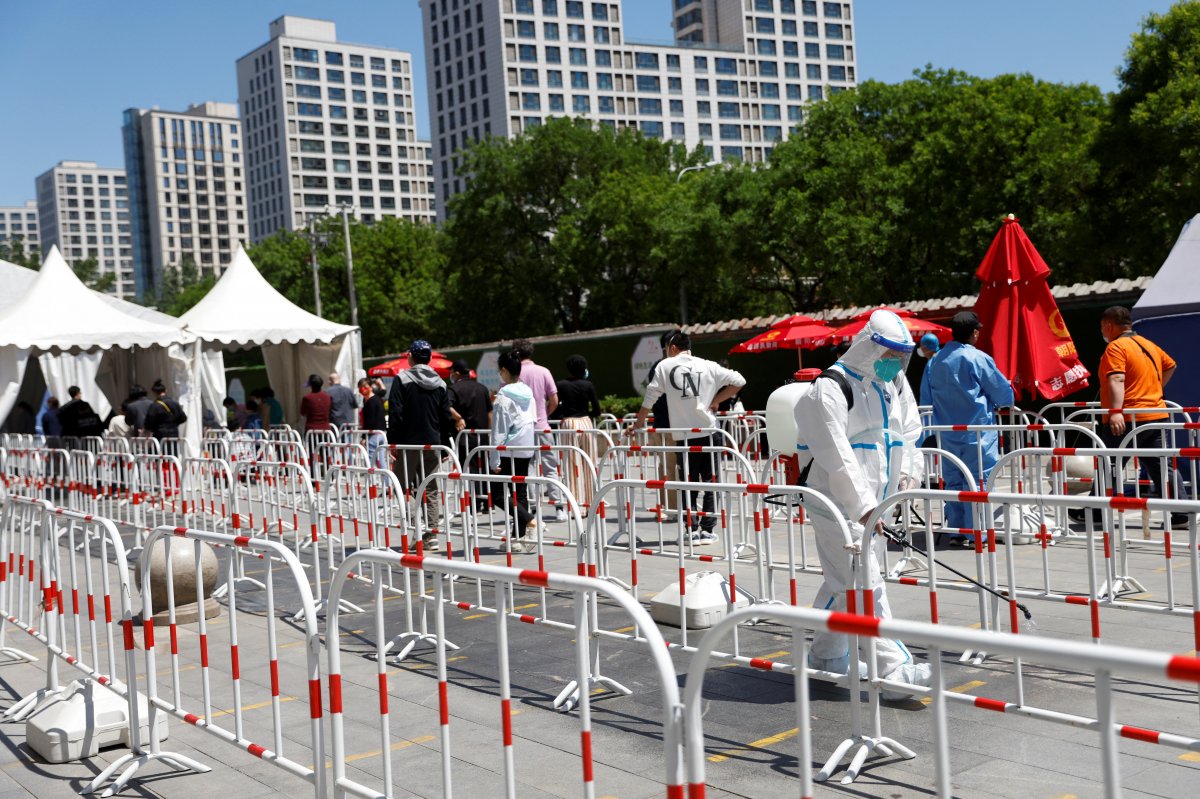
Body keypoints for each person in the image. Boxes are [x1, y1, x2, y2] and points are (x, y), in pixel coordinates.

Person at [794, 309, 932, 699]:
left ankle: (825, 656)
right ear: (868, 345)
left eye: (903, 355)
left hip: (877, 504)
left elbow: (909, 432)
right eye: (891, 353)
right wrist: (864, 507)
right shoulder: (829, 390)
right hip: (836, 506)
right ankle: (895, 670)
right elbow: (838, 458)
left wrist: (908, 476)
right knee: (864, 581)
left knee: (843, 582)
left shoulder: (891, 383)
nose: (897, 363)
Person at [627, 331, 746, 543]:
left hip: (684, 435)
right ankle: (708, 530)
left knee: (687, 481)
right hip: (709, 431)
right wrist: (715, 400)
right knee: (711, 482)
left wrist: (637, 424)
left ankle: (690, 529)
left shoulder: (665, 366)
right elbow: (739, 380)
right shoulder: (708, 365)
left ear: (672, 347)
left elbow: (650, 397)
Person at [920, 311, 1015, 542]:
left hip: (947, 433)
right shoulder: (978, 358)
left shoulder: (935, 361)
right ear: (974, 332)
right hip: (977, 433)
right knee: (978, 481)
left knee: (953, 481)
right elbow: (1003, 395)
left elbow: (925, 399)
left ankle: (957, 531)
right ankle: (977, 534)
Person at [1096, 306, 1188, 528]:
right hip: (1156, 413)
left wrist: (1116, 411)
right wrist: (1153, 391)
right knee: (1161, 465)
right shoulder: (1148, 345)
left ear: (1109, 325)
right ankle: (1182, 511)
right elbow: (1171, 365)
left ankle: (1097, 511)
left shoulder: (1116, 347)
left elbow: (1116, 379)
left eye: (1102, 328)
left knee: (1108, 464)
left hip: (1128, 418)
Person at [387, 340, 455, 551]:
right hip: (433, 442)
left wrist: (393, 441)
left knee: (402, 487)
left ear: (411, 357)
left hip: (408, 442)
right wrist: (444, 443)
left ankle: (410, 529)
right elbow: (445, 417)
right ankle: (432, 534)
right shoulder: (441, 383)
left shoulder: (402, 379)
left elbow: (396, 413)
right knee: (432, 488)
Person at [511, 339, 567, 521]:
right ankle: (559, 507)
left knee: (528, 469)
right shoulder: (543, 371)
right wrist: (545, 415)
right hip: (543, 427)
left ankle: (533, 508)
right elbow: (554, 399)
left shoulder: (513, 374)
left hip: (522, 429)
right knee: (551, 467)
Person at [489, 351, 539, 552]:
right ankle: (517, 539)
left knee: (499, 495)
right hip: (526, 447)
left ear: (503, 370)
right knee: (521, 492)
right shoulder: (528, 393)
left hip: (509, 448)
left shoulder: (503, 397)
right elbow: (532, 420)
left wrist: (494, 460)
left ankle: (530, 521)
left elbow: (498, 430)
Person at [554, 355, 601, 512]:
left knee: (571, 465)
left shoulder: (560, 385)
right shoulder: (588, 385)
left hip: (569, 423)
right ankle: (591, 504)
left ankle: (576, 506)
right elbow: (596, 409)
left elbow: (555, 407)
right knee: (589, 463)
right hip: (586, 423)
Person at [447, 359, 492, 510]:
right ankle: (487, 502)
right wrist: (488, 430)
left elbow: (447, 407)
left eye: (452, 372)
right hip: (482, 435)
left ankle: (473, 502)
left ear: (457, 373)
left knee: (467, 470)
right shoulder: (482, 388)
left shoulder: (453, 389)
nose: (451, 375)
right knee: (484, 469)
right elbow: (489, 412)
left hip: (463, 437)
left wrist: (458, 418)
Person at [358, 377, 387, 469]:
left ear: (371, 387)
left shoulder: (372, 401)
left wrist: (363, 437)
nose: (362, 389)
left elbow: (369, 421)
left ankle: (370, 481)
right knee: (381, 459)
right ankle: (387, 482)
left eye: (365, 386)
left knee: (370, 460)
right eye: (360, 387)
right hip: (381, 433)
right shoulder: (371, 399)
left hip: (374, 434)